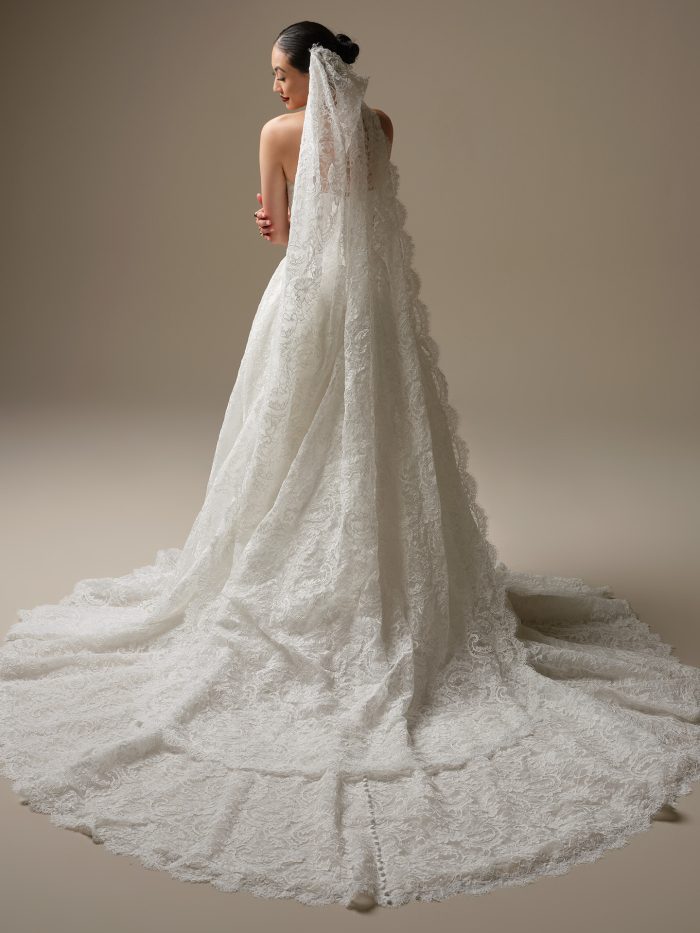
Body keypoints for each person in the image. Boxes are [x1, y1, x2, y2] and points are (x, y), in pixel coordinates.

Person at [0, 21, 698, 914]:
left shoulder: (275, 134)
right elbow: (361, 212)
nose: (276, 87)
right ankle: (374, 577)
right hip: (366, 302)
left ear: (307, 70)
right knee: (371, 436)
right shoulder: (381, 126)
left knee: (286, 437)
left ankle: (298, 575)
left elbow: (285, 236)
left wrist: (270, 215)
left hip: (308, 299)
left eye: (280, 73)